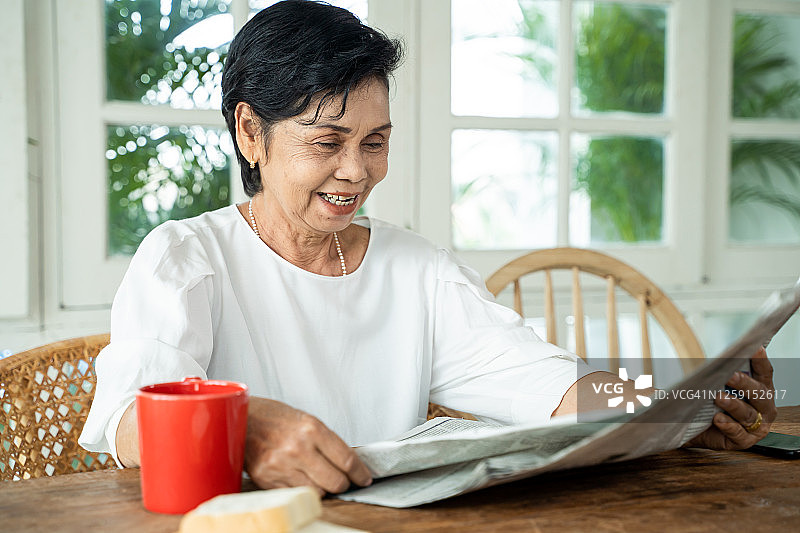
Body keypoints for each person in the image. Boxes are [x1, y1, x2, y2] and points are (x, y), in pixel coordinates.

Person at [79, 0, 777, 495]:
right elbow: (124, 422)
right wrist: (244, 424)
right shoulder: (186, 258)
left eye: (375, 142)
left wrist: (684, 401)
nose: (357, 171)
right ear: (251, 133)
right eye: (328, 142)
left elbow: (557, 387)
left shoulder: (416, 270)